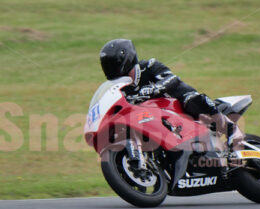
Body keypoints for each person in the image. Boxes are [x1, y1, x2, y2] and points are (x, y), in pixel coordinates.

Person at [99, 38, 243, 148]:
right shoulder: (120, 88)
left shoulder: (149, 66)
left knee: (191, 100)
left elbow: (172, 79)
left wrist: (154, 88)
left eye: (112, 64)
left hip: (178, 104)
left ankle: (230, 129)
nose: (110, 68)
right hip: (155, 118)